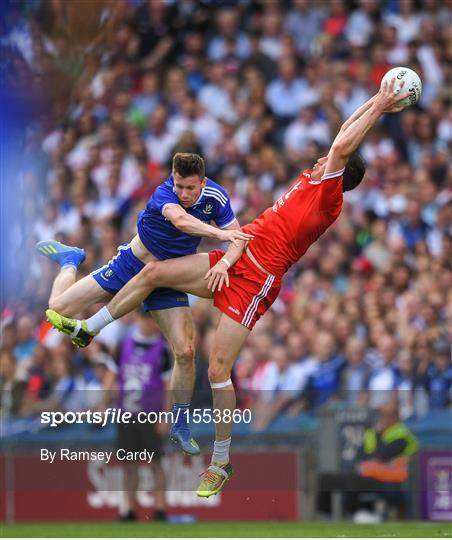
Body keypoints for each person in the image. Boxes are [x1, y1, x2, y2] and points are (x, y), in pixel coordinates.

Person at [46, 80, 410, 497]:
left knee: (218, 370)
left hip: (257, 282)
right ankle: (90, 328)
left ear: (340, 174)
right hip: (235, 258)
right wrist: (374, 99)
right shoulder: (312, 178)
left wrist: (381, 104)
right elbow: (343, 133)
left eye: (331, 158)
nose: (324, 154)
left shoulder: (327, 195)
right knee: (153, 272)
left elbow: (344, 144)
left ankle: (219, 462)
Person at [37, 152, 252, 456]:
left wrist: (225, 262)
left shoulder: (216, 196)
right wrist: (219, 233)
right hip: (132, 265)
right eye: (179, 185)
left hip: (168, 278)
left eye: (190, 188)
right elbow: (181, 220)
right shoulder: (164, 193)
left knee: (186, 351)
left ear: (202, 183)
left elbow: (240, 238)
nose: (183, 193)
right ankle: (70, 260)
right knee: (57, 310)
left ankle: (179, 422)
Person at [116, 311, 171, 522]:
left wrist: (165, 416)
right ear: (140, 319)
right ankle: (128, 509)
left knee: (156, 463)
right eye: (148, 319)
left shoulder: (163, 349)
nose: (152, 324)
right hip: (126, 413)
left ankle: (160, 509)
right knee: (129, 465)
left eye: (154, 319)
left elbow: (168, 386)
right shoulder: (123, 345)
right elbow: (115, 375)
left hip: (151, 414)